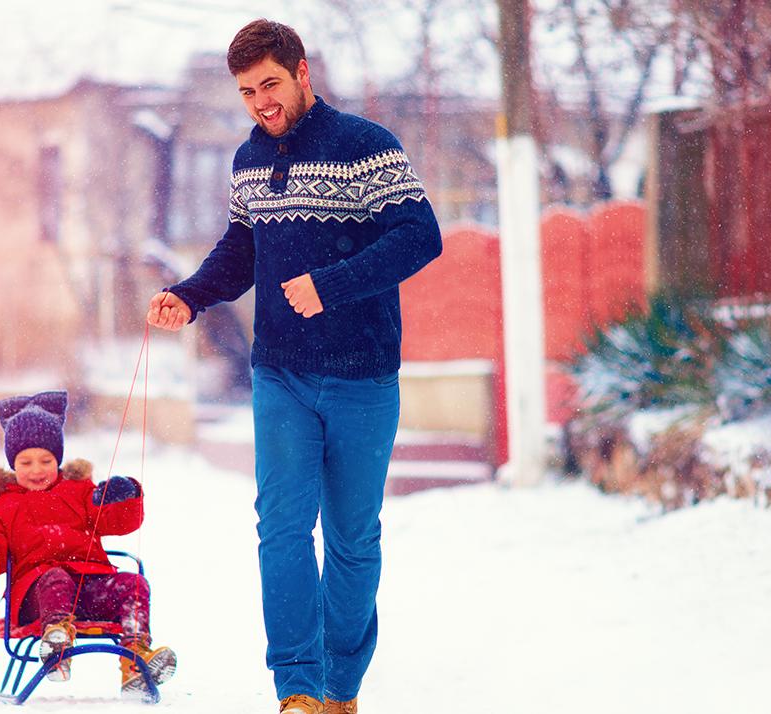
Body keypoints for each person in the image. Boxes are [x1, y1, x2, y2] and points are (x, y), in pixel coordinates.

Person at [146, 19, 441, 714]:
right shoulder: (248, 159)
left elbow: (419, 236)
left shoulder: (366, 147)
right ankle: (299, 687)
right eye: (248, 91)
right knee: (280, 529)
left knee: (351, 538)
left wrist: (331, 283)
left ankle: (343, 686)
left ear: (302, 72)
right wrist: (189, 297)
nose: (261, 103)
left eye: (270, 84)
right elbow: (241, 250)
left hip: (363, 375)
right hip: (279, 372)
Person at [0, 390, 176, 697]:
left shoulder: (79, 491)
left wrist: (122, 496)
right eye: (26, 462)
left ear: (58, 459)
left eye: (46, 460)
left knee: (133, 584)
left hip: (89, 586)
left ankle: (137, 660)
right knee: (55, 578)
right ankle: (55, 643)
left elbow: (119, 523)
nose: (37, 470)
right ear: (12, 464)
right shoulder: (2, 507)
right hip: (37, 598)